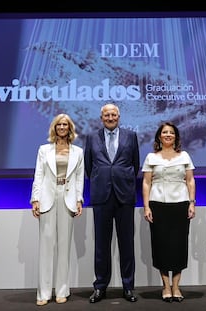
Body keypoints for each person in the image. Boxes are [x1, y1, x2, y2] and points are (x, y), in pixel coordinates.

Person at [84, 102, 140, 303]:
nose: (110, 118)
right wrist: (103, 180)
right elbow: (89, 168)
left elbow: (135, 165)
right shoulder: (91, 138)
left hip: (124, 196)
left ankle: (128, 287)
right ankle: (100, 287)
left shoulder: (131, 136)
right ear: (101, 118)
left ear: (119, 117)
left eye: (113, 115)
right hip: (101, 197)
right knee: (101, 245)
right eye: (106, 115)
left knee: (127, 244)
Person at [30, 113, 84, 306]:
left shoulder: (78, 151)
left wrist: (79, 199)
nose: (62, 127)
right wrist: (35, 199)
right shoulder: (44, 150)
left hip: (67, 197)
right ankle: (43, 293)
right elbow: (38, 174)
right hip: (47, 197)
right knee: (46, 246)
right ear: (54, 128)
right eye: (59, 124)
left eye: (65, 125)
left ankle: (62, 290)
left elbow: (79, 177)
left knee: (64, 247)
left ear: (70, 128)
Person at [142, 121, 196, 303]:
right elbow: (146, 183)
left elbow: (190, 181)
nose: (168, 135)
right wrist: (147, 206)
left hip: (180, 204)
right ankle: (166, 287)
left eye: (171, 133)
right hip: (157, 205)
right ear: (159, 136)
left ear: (176, 137)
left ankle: (176, 286)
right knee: (161, 246)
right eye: (164, 132)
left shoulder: (185, 156)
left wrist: (192, 203)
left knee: (179, 246)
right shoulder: (151, 157)